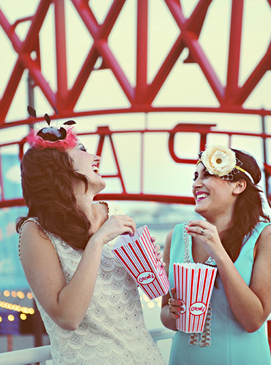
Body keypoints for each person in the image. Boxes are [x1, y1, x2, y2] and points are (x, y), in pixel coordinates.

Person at [17, 111, 164, 364]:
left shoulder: (115, 214)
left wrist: (149, 266)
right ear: (58, 166)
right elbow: (68, 317)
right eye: (81, 149)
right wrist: (97, 242)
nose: (95, 156)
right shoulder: (35, 232)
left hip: (145, 357)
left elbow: (124, 301)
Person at [160, 144, 271, 364]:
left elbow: (253, 321)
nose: (196, 184)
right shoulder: (177, 236)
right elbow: (166, 315)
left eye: (207, 175)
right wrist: (172, 313)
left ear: (238, 186)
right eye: (195, 176)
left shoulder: (266, 238)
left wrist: (218, 252)